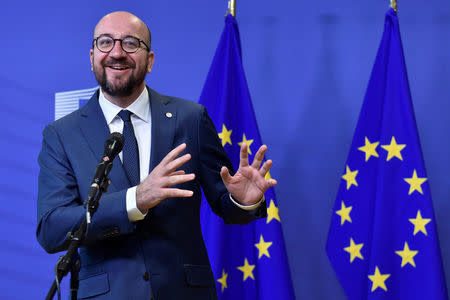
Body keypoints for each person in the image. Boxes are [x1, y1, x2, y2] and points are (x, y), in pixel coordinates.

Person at [37, 11, 276, 299]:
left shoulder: (190, 118)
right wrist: (135, 200)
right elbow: (52, 229)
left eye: (130, 43)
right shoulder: (62, 134)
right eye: (105, 42)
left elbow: (227, 207)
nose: (116, 52)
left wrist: (243, 201)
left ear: (149, 61)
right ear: (91, 57)